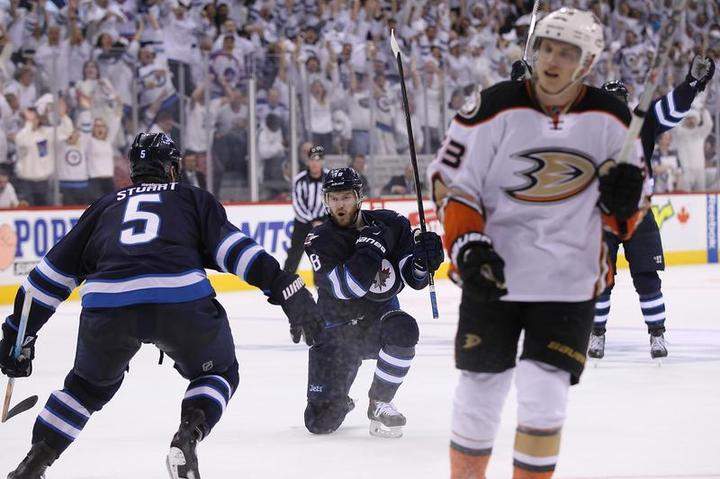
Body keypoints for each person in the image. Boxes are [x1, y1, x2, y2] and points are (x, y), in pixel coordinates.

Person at [0, 133, 322, 479]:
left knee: (84, 389)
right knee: (218, 372)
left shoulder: (103, 207)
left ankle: (33, 465)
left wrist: (19, 335)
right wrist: (285, 287)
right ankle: (188, 434)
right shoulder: (191, 198)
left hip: (109, 306)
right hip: (180, 300)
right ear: (172, 168)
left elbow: (44, 280)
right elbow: (237, 253)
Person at [429, 8, 648, 478]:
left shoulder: (612, 118)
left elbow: (631, 210)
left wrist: (624, 203)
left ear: (585, 64)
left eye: (567, 52)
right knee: (479, 390)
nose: (553, 60)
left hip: (569, 278)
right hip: (494, 272)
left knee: (544, 394)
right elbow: (451, 183)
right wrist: (468, 247)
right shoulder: (492, 107)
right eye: (547, 47)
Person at [588, 55, 715, 360]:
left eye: (619, 102)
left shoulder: (643, 123)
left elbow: (672, 106)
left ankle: (657, 334)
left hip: (639, 212)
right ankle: (597, 333)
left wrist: (692, 84)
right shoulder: (587, 132)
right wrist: (523, 87)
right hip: (601, 215)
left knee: (647, 277)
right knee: (600, 278)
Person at [303, 167, 443, 438]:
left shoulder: (391, 224)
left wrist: (424, 262)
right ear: (326, 201)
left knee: (403, 328)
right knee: (319, 423)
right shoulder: (320, 240)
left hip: (376, 325)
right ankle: (338, 399)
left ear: (359, 197)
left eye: (345, 196)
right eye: (333, 198)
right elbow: (348, 288)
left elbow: (411, 277)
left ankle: (380, 402)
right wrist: (370, 248)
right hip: (336, 335)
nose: (339, 204)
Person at [283, 145, 327, 273]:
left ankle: (323, 288)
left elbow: (332, 202)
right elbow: (298, 205)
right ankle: (284, 284)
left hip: (323, 224)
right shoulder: (299, 180)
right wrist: (312, 221)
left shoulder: (329, 178)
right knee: (294, 255)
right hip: (303, 224)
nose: (315, 163)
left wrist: (323, 220)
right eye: (312, 159)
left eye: (318, 160)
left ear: (322, 162)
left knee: (322, 256)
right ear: (308, 161)